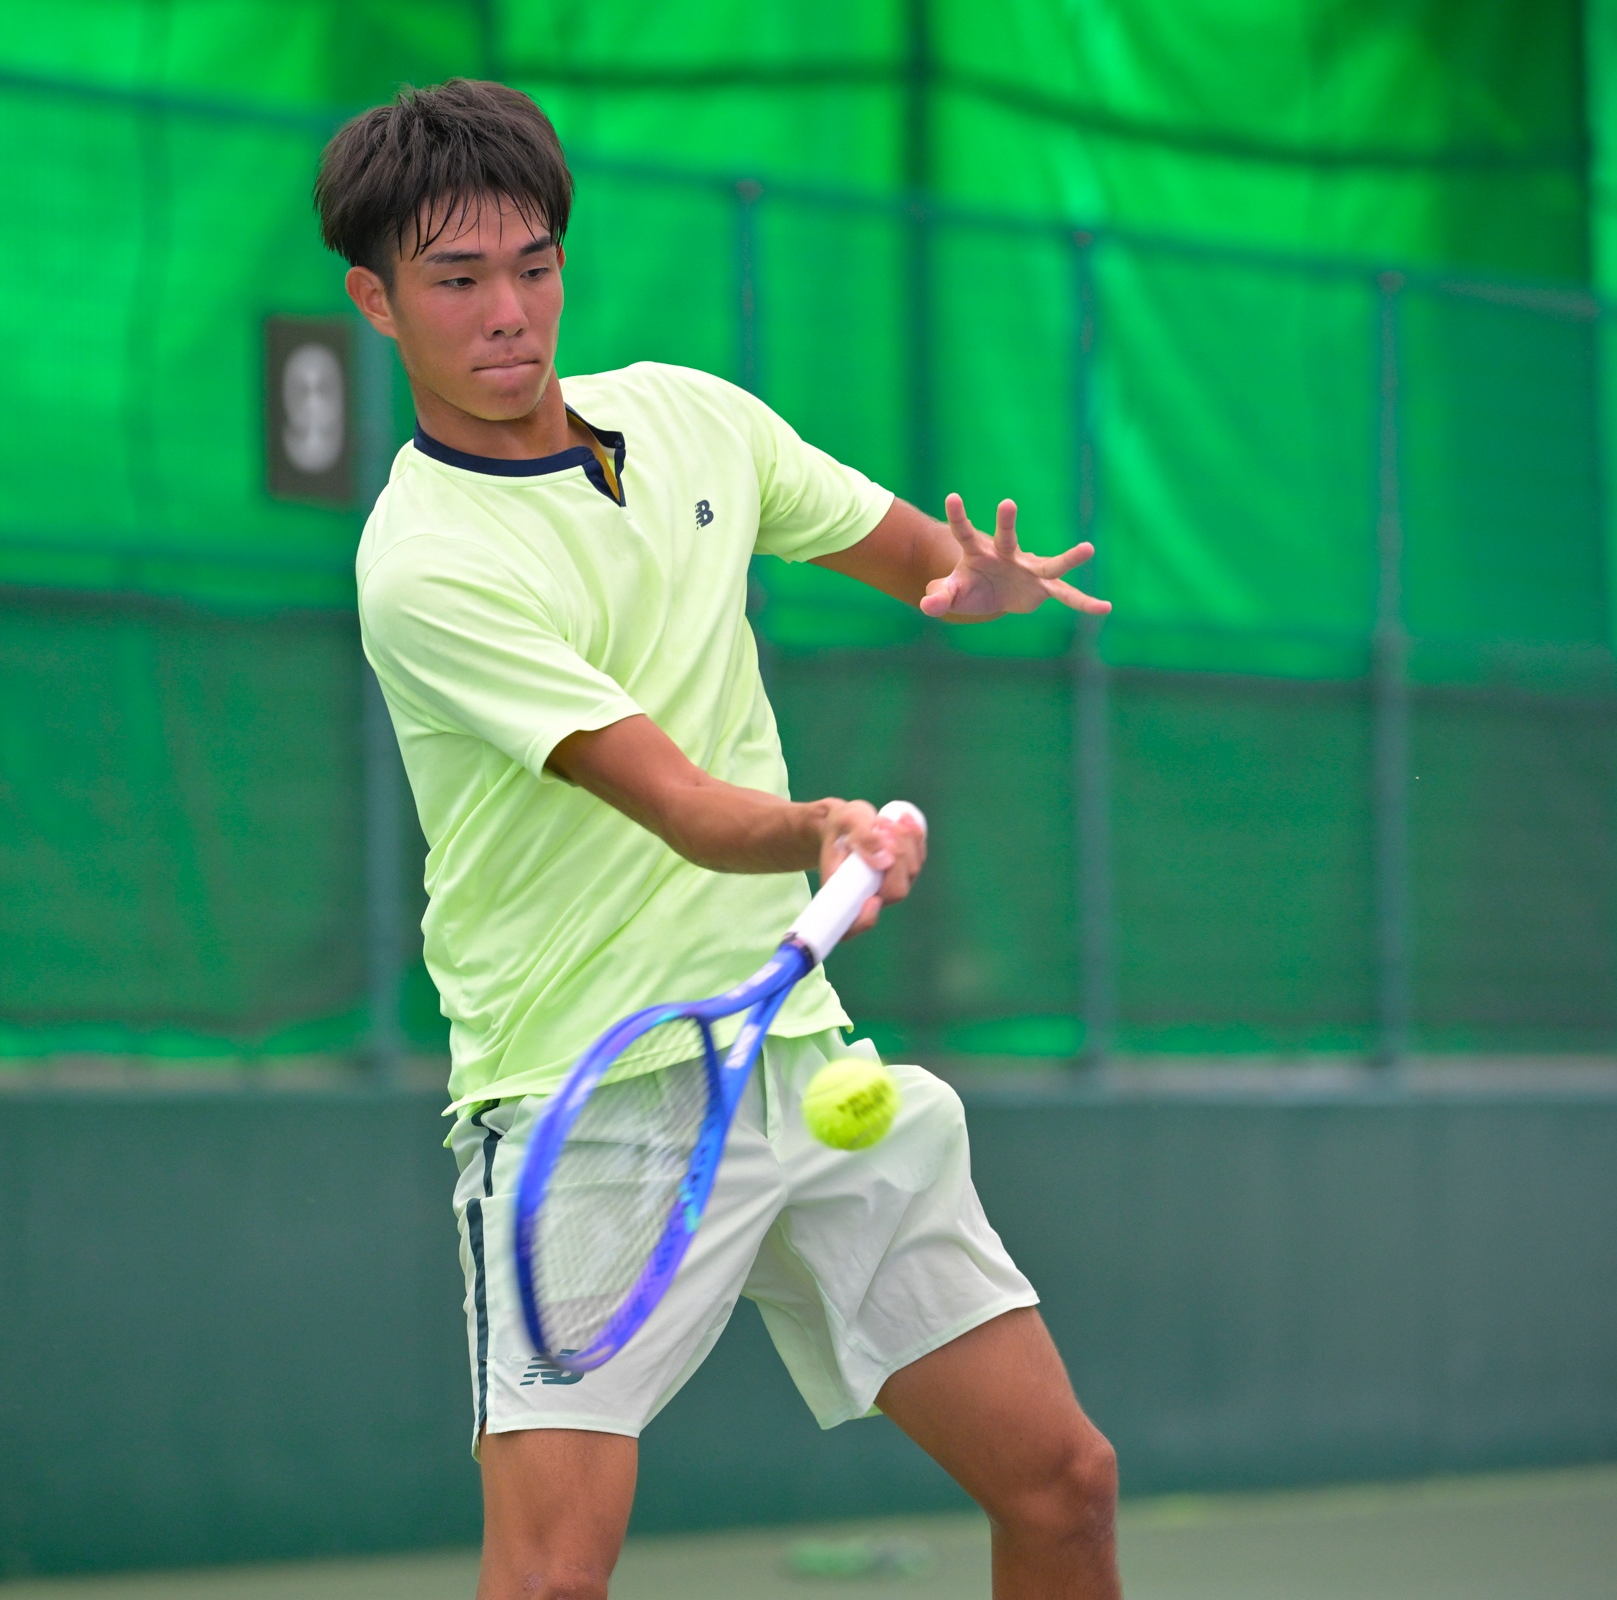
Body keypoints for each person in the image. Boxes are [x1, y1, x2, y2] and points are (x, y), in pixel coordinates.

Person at [318, 78, 1121, 1600]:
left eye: (534, 266)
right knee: (551, 1581)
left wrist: (976, 583)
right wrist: (820, 829)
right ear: (376, 301)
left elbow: (918, 559)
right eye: (458, 279)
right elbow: (679, 801)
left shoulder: (695, 420)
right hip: (586, 1096)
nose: (509, 312)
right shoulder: (425, 566)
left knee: (1063, 1485)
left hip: (799, 1062)